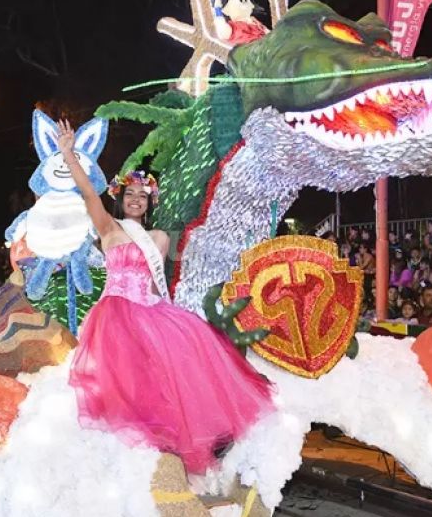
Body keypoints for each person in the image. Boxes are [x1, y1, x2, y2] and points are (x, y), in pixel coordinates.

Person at [57, 118, 274, 474]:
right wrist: (69, 155)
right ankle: (123, 462)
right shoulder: (109, 229)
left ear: (149, 203)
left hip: (149, 312)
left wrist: (171, 323)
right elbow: (88, 194)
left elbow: (157, 285)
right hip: (115, 316)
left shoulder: (158, 237)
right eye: (131, 195)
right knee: (123, 387)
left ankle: (177, 451)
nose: (136, 200)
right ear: (121, 199)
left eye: (143, 197)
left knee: (173, 378)